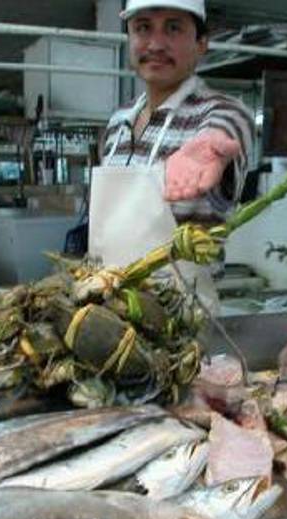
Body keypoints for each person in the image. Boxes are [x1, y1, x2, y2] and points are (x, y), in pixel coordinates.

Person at [90, 0, 255, 310]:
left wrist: (212, 148)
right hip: (107, 307)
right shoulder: (117, 122)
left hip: (179, 317)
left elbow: (223, 132)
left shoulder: (224, 113)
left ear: (201, 43)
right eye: (143, 28)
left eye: (173, 28)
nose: (155, 44)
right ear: (129, 38)